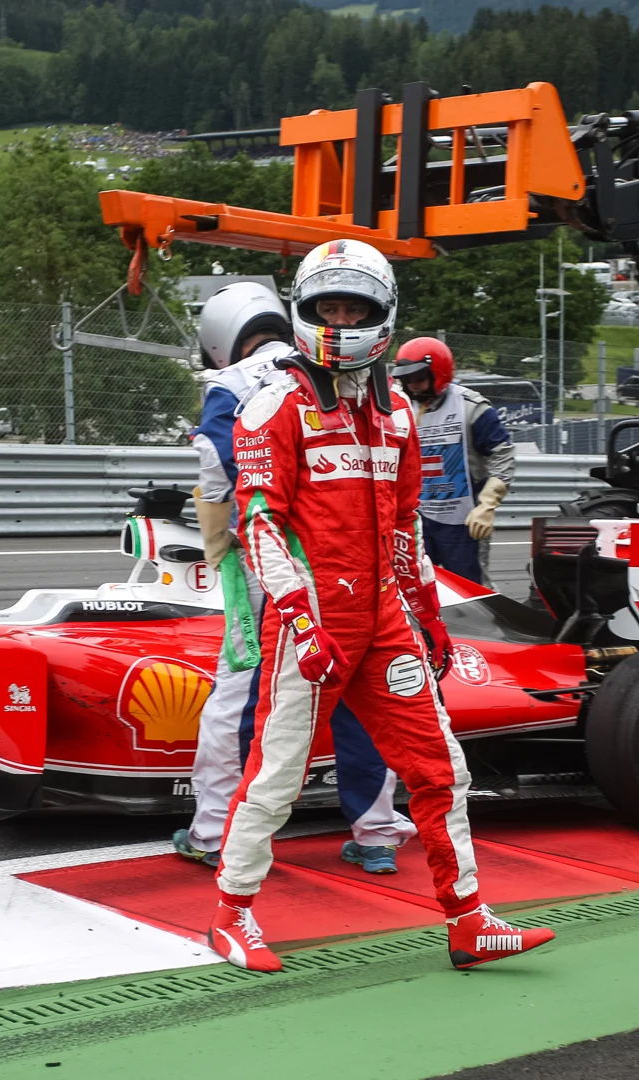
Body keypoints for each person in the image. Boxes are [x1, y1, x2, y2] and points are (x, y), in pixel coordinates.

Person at [208, 240, 554, 973]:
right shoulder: (274, 406)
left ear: (382, 315)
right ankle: (233, 914)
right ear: (303, 312)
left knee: (440, 768)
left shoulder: (396, 410)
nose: (340, 320)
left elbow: (406, 528)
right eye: (328, 307)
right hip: (310, 628)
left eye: (354, 308)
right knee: (278, 773)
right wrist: (301, 621)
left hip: (385, 623)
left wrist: (429, 617)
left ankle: (467, 918)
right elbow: (261, 524)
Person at [177, 282, 417, 875]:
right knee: (362, 697)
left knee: (240, 698)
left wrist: (222, 548)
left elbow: (221, 481)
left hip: (270, 562)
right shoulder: (347, 371)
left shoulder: (229, 387)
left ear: (219, 338)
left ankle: (213, 831)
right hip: (358, 565)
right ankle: (378, 832)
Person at [392, 337, 515, 585]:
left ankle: (477, 625)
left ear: (438, 373)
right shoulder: (399, 408)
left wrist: (488, 504)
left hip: (462, 521)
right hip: (417, 519)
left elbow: (502, 455)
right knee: (418, 585)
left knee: (470, 588)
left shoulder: (471, 407)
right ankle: (427, 626)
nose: (413, 386)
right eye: (407, 380)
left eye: (419, 379)